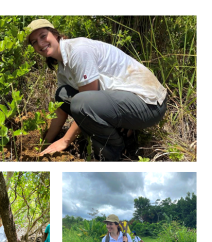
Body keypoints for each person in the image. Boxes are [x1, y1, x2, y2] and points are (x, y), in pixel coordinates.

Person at [26, 19, 168, 160]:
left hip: (149, 104)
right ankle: (120, 130)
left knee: (81, 102)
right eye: (34, 42)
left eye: (43, 36)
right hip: (123, 99)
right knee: (62, 94)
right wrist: (45, 143)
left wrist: (65, 141)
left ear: (55, 34)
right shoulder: (63, 65)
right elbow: (60, 109)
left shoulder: (78, 51)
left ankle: (116, 150)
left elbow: (86, 103)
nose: (40, 43)